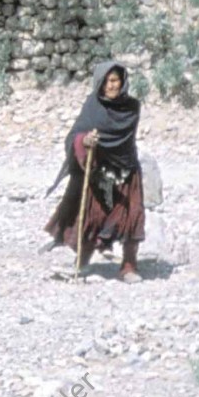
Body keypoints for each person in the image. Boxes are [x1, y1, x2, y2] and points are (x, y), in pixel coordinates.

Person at [44, 60, 144, 281]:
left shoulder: (131, 107)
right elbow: (75, 135)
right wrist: (85, 141)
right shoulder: (92, 105)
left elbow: (121, 137)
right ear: (99, 83)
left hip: (126, 168)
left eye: (115, 80)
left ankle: (129, 266)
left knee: (132, 215)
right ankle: (81, 262)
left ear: (123, 82)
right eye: (107, 81)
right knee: (92, 215)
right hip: (99, 171)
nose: (111, 85)